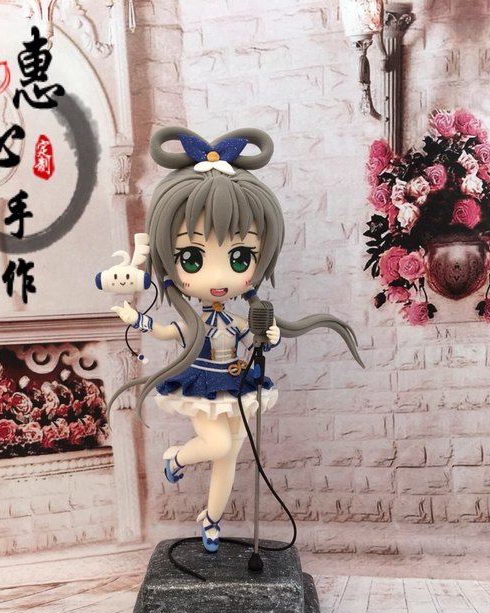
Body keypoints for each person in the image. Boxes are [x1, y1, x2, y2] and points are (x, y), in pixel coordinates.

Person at [109, 127, 362, 552]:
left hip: (239, 383)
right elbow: (168, 331)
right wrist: (138, 319)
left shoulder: (238, 316)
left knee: (228, 457)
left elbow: (257, 337)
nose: (218, 277)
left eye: (240, 257)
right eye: (192, 258)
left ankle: (211, 520)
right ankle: (177, 456)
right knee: (218, 443)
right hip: (202, 385)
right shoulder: (194, 322)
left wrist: (271, 334)